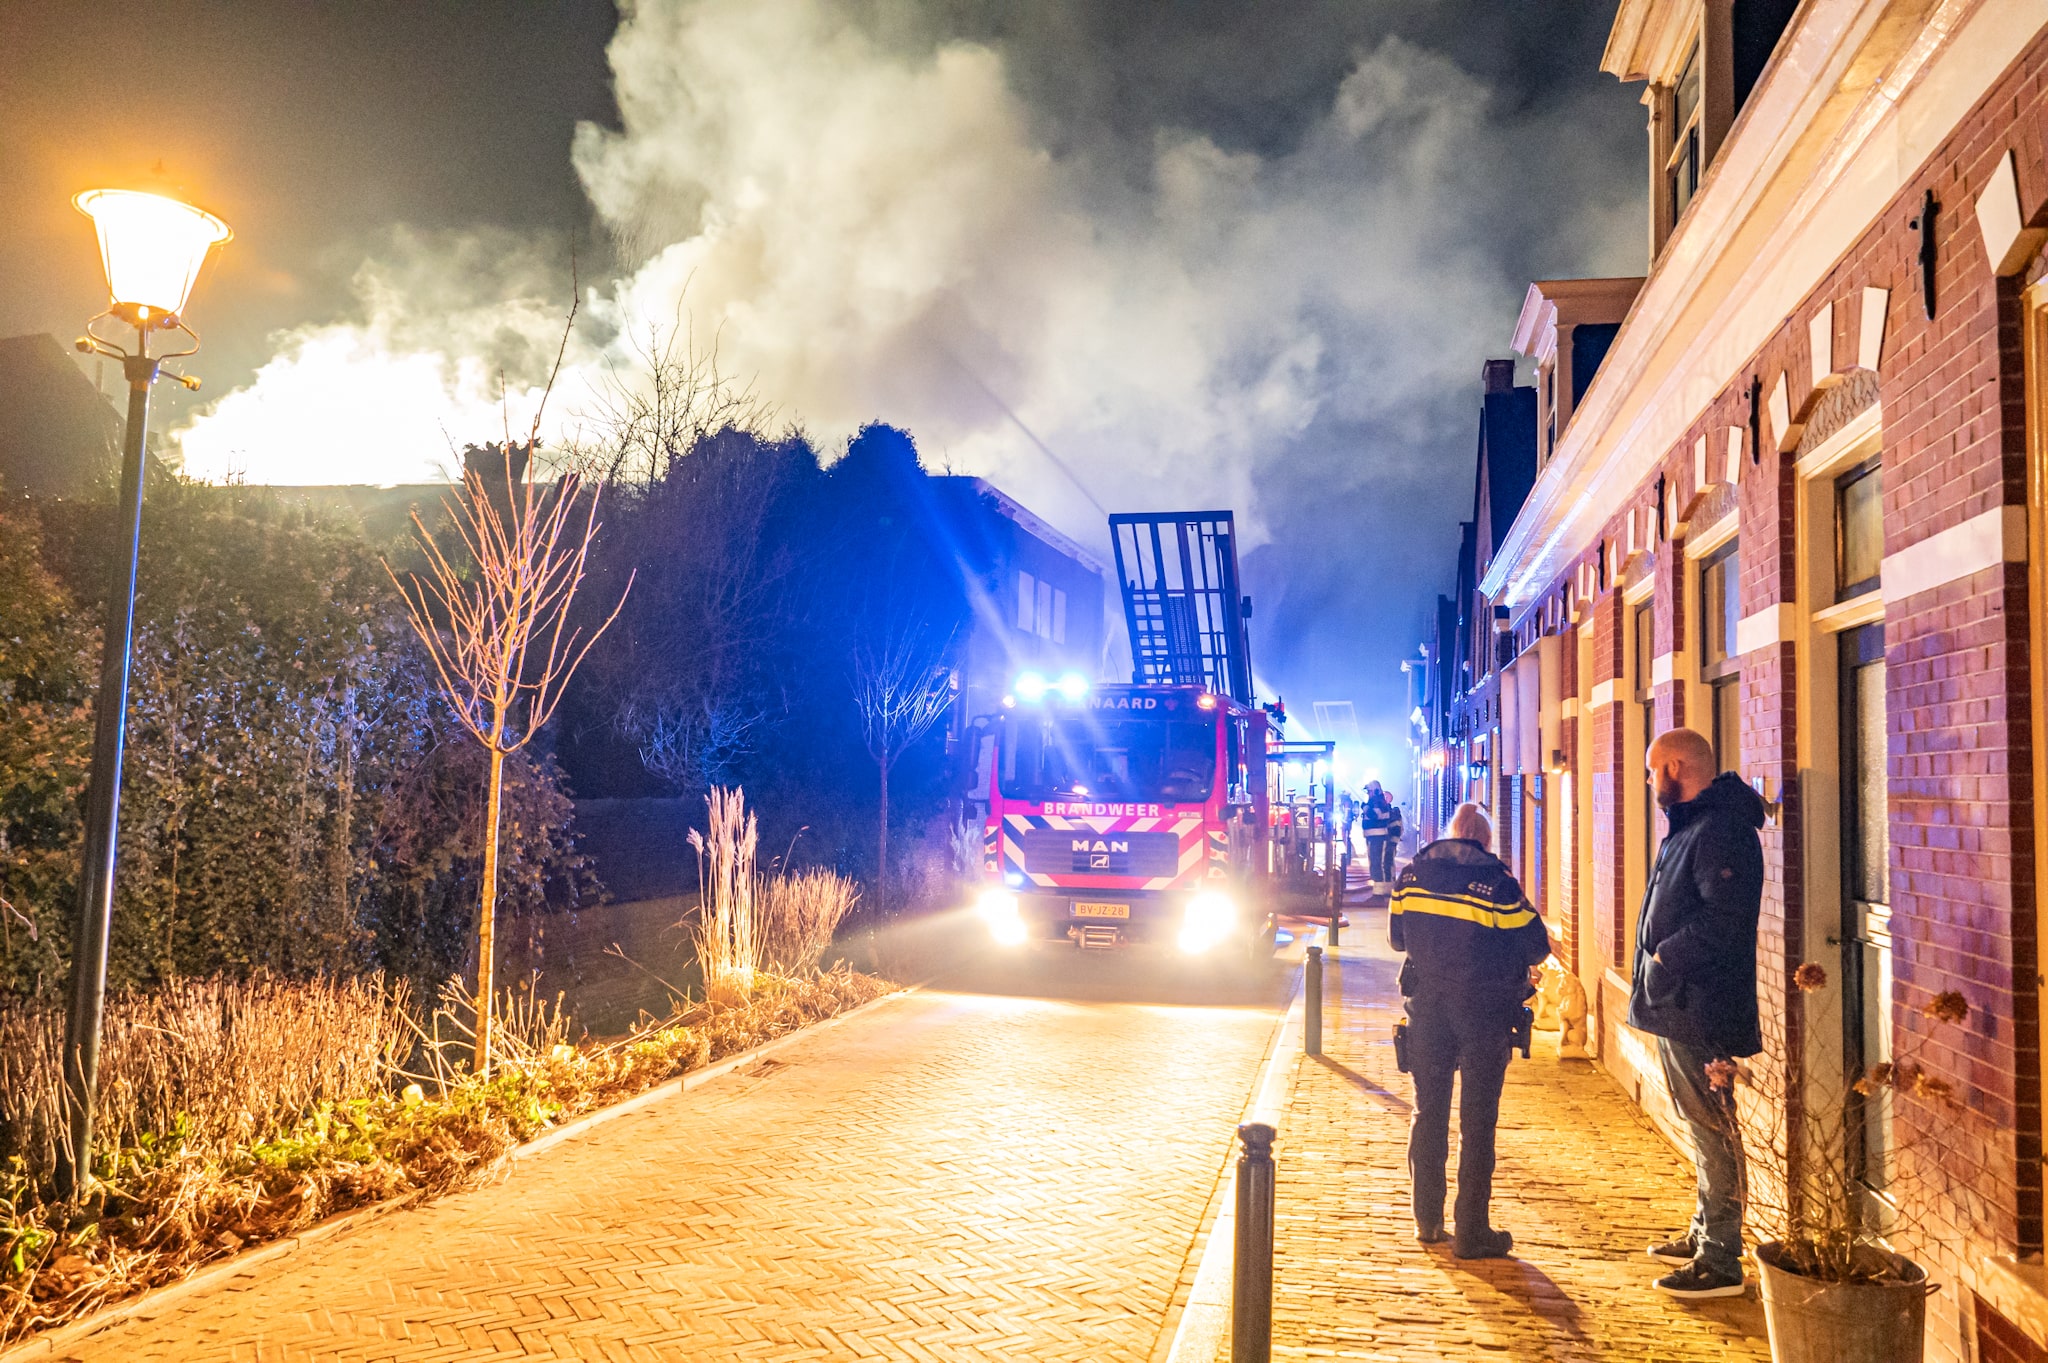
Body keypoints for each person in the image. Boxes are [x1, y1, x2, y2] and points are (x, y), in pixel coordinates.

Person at [1629, 727, 1765, 1301]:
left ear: (1677, 768)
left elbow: (1724, 921)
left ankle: (1721, 1261)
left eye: (1651, 769)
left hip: (1699, 1005)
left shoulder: (1721, 831)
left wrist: (1663, 958)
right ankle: (1706, 1230)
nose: (1648, 781)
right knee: (1703, 1125)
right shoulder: (1694, 828)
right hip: (1677, 1003)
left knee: (1713, 1128)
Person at [1390, 801, 1551, 1259]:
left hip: (1427, 1008)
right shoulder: (1497, 885)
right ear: (1483, 841)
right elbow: (1536, 946)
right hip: (1483, 1011)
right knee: (1477, 1122)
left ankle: (1427, 1220)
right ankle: (1473, 1231)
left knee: (1428, 1112)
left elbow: (1398, 938)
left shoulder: (1411, 876)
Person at [1359, 781, 1400, 891]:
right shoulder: (1375, 801)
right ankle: (1379, 891)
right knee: (1375, 863)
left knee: (1379, 864)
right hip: (1373, 838)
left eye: (1369, 791)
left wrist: (1365, 808)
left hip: (1378, 838)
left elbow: (1374, 816)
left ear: (1375, 791)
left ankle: (1380, 892)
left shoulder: (1379, 802)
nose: (1368, 794)